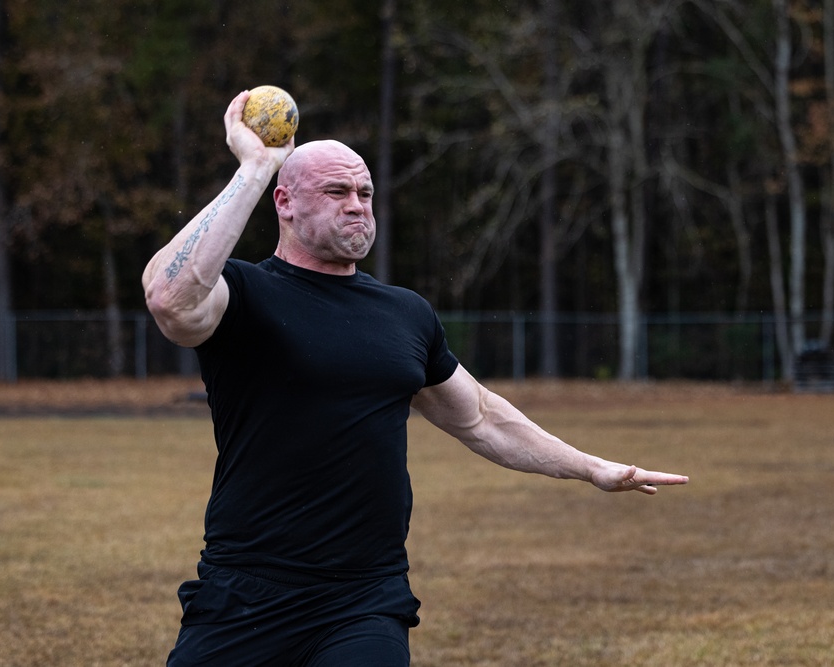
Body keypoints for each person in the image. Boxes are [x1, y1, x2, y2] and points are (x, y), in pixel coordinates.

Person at [142, 90, 689, 667]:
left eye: (365, 193)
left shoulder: (403, 313)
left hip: (363, 599)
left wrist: (593, 468)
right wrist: (254, 168)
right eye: (336, 192)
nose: (357, 206)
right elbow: (169, 298)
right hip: (246, 592)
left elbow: (479, 416)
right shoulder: (242, 294)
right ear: (285, 203)